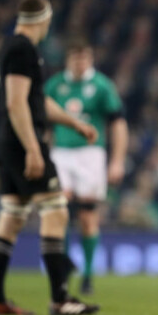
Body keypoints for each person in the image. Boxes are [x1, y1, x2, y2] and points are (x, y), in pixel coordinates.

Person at [0, 0, 100, 315]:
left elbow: (35, 100)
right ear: (44, 20)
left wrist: (74, 123)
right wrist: (34, 149)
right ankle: (60, 298)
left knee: (12, 215)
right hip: (23, 142)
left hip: (6, 142)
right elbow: (16, 102)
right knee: (56, 210)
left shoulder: (11, 49)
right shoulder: (23, 49)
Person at [45, 37, 128, 295]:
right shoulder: (55, 85)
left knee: (87, 216)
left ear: (90, 59)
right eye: (76, 58)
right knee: (60, 212)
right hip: (60, 154)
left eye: (85, 58)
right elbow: (43, 122)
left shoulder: (102, 86)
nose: (81, 63)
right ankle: (66, 266)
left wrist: (117, 161)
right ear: (68, 59)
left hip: (91, 155)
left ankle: (88, 275)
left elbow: (118, 124)